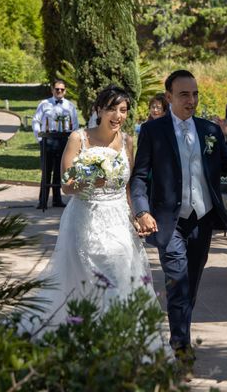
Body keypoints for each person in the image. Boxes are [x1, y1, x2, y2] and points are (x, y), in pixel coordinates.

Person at [130, 69, 227, 360]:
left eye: (195, 94)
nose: (192, 100)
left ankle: (180, 330)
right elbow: (138, 178)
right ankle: (181, 344)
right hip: (169, 220)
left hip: (203, 218)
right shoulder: (152, 132)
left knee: (191, 282)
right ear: (169, 97)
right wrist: (142, 211)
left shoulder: (208, 131)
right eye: (184, 94)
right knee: (177, 280)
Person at [22, 85, 161, 340]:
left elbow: (129, 186)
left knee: (119, 277)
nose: (118, 116)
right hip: (85, 220)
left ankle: (117, 339)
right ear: (98, 109)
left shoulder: (128, 141)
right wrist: (89, 181)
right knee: (86, 281)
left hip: (118, 221)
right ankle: (88, 337)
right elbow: (65, 186)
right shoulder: (79, 138)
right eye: (111, 109)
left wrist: (138, 215)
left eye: (123, 110)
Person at [32, 80, 79, 209]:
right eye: (57, 89)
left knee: (59, 171)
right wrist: (40, 138)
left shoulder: (70, 106)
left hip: (63, 140)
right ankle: (43, 201)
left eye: (62, 90)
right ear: (52, 90)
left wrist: (71, 140)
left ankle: (57, 200)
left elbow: (75, 124)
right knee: (46, 171)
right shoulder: (44, 104)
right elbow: (35, 121)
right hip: (47, 140)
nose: (59, 92)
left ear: (65, 91)